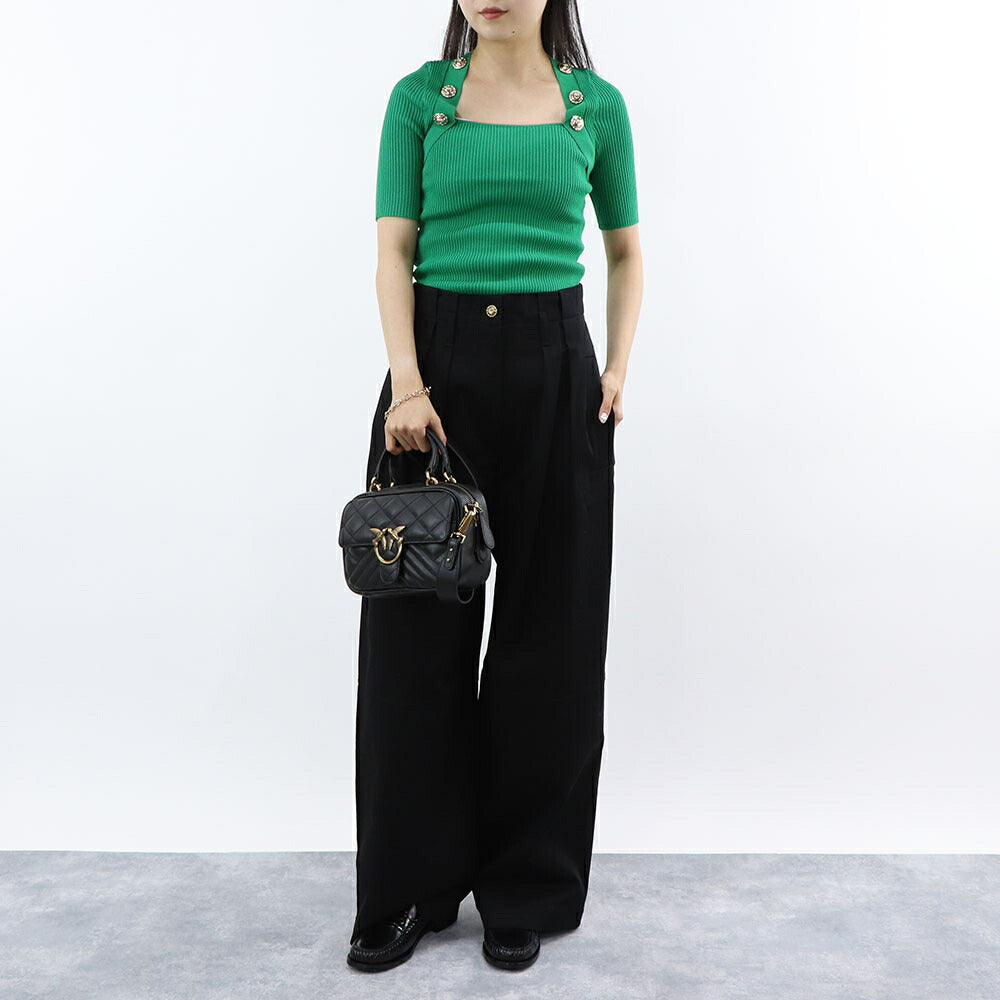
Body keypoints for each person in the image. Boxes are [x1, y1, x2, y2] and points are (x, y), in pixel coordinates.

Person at [347, 0, 642, 974]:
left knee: (550, 641)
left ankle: (525, 886)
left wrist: (616, 365)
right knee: (414, 646)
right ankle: (408, 889)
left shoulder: (595, 108)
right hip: (432, 385)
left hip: (560, 374)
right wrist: (406, 380)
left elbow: (625, 249)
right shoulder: (418, 103)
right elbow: (394, 248)